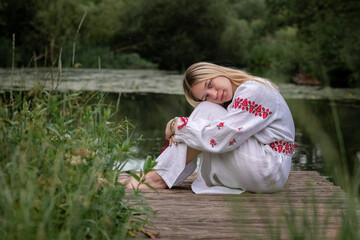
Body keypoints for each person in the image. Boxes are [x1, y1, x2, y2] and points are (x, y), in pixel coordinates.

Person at [119, 62, 295, 194]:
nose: (214, 95)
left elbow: (225, 136)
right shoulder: (241, 96)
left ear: (217, 72)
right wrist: (184, 129)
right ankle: (153, 176)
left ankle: (155, 178)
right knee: (203, 116)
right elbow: (221, 133)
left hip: (268, 168)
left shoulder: (253, 91)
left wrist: (178, 126)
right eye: (206, 96)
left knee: (205, 112)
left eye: (209, 85)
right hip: (266, 170)